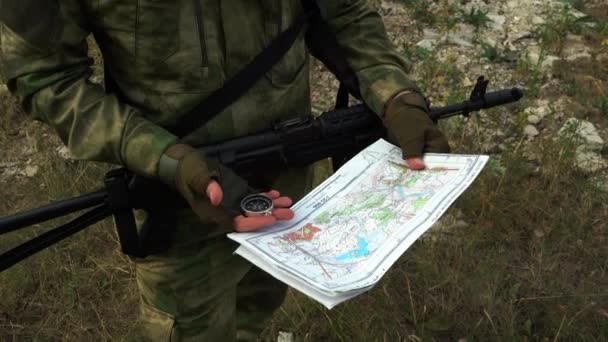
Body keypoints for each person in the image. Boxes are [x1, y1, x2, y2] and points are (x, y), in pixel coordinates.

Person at [0, 0, 449, 340]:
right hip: (180, 210)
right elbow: (46, 77)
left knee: (256, 312)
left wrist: (396, 97)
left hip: (287, 196)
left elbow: (343, 13)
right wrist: (168, 160)